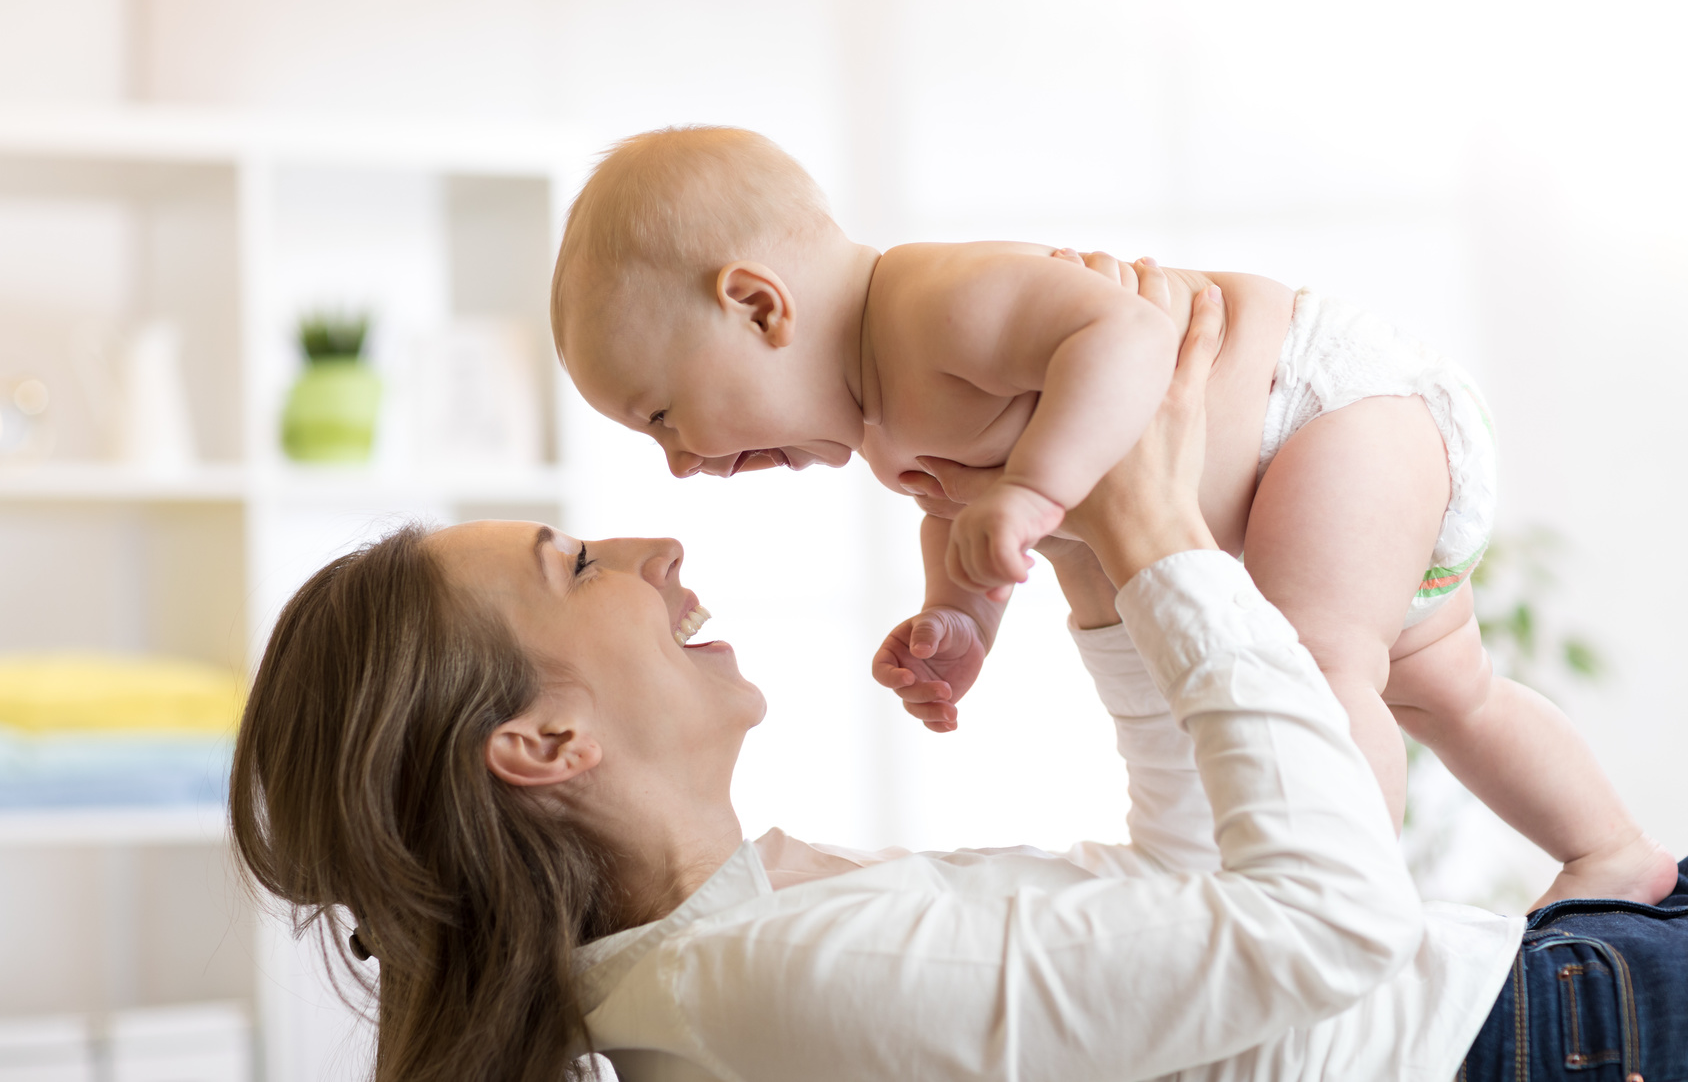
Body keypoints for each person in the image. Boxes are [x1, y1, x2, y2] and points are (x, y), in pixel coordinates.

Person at [230, 303, 1688, 1082]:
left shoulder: (751, 936)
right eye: (574, 563)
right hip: (1553, 1034)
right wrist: (1164, 536)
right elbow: (1334, 917)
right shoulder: (758, 987)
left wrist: (1108, 584)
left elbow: (1190, 895)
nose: (655, 539)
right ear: (544, 742)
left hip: (1557, 1000)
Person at [548, 125, 1673, 907]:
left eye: (662, 416)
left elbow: (1125, 336)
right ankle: (1609, 850)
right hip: (1310, 483)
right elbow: (964, 512)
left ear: (756, 306)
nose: (682, 466)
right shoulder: (886, 426)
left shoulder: (932, 302)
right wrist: (962, 619)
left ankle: (1348, 908)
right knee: (1443, 686)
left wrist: (1035, 491)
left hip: (1325, 412)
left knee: (1317, 665)